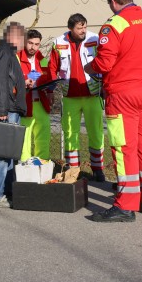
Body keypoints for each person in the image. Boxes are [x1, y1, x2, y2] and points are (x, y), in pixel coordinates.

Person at [85, 0, 142, 222]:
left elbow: (104, 63)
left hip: (122, 95)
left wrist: (88, 67)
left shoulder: (114, 25)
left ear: (112, 2)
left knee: (124, 149)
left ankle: (125, 205)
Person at [49, 13, 106, 181]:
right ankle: (74, 170)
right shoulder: (58, 43)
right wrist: (51, 90)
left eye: (85, 26)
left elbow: (105, 61)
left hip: (93, 95)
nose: (83, 30)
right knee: (70, 134)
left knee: (96, 133)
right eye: (79, 27)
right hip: (69, 96)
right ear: (70, 29)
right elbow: (52, 68)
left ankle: (98, 169)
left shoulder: (96, 39)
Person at [0, 22, 27, 208]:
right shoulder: (3, 52)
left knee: (8, 153)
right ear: (14, 37)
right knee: (1, 154)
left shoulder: (7, 53)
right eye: (23, 39)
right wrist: (1, 111)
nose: (24, 44)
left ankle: (7, 190)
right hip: (5, 110)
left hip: (10, 108)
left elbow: (8, 81)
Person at [18, 29, 52, 161]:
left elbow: (46, 74)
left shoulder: (41, 58)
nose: (33, 47)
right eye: (30, 43)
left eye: (37, 44)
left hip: (40, 102)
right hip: (25, 103)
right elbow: (15, 77)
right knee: (24, 137)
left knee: (43, 136)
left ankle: (43, 162)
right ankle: (25, 165)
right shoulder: (17, 57)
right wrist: (26, 80)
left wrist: (50, 90)